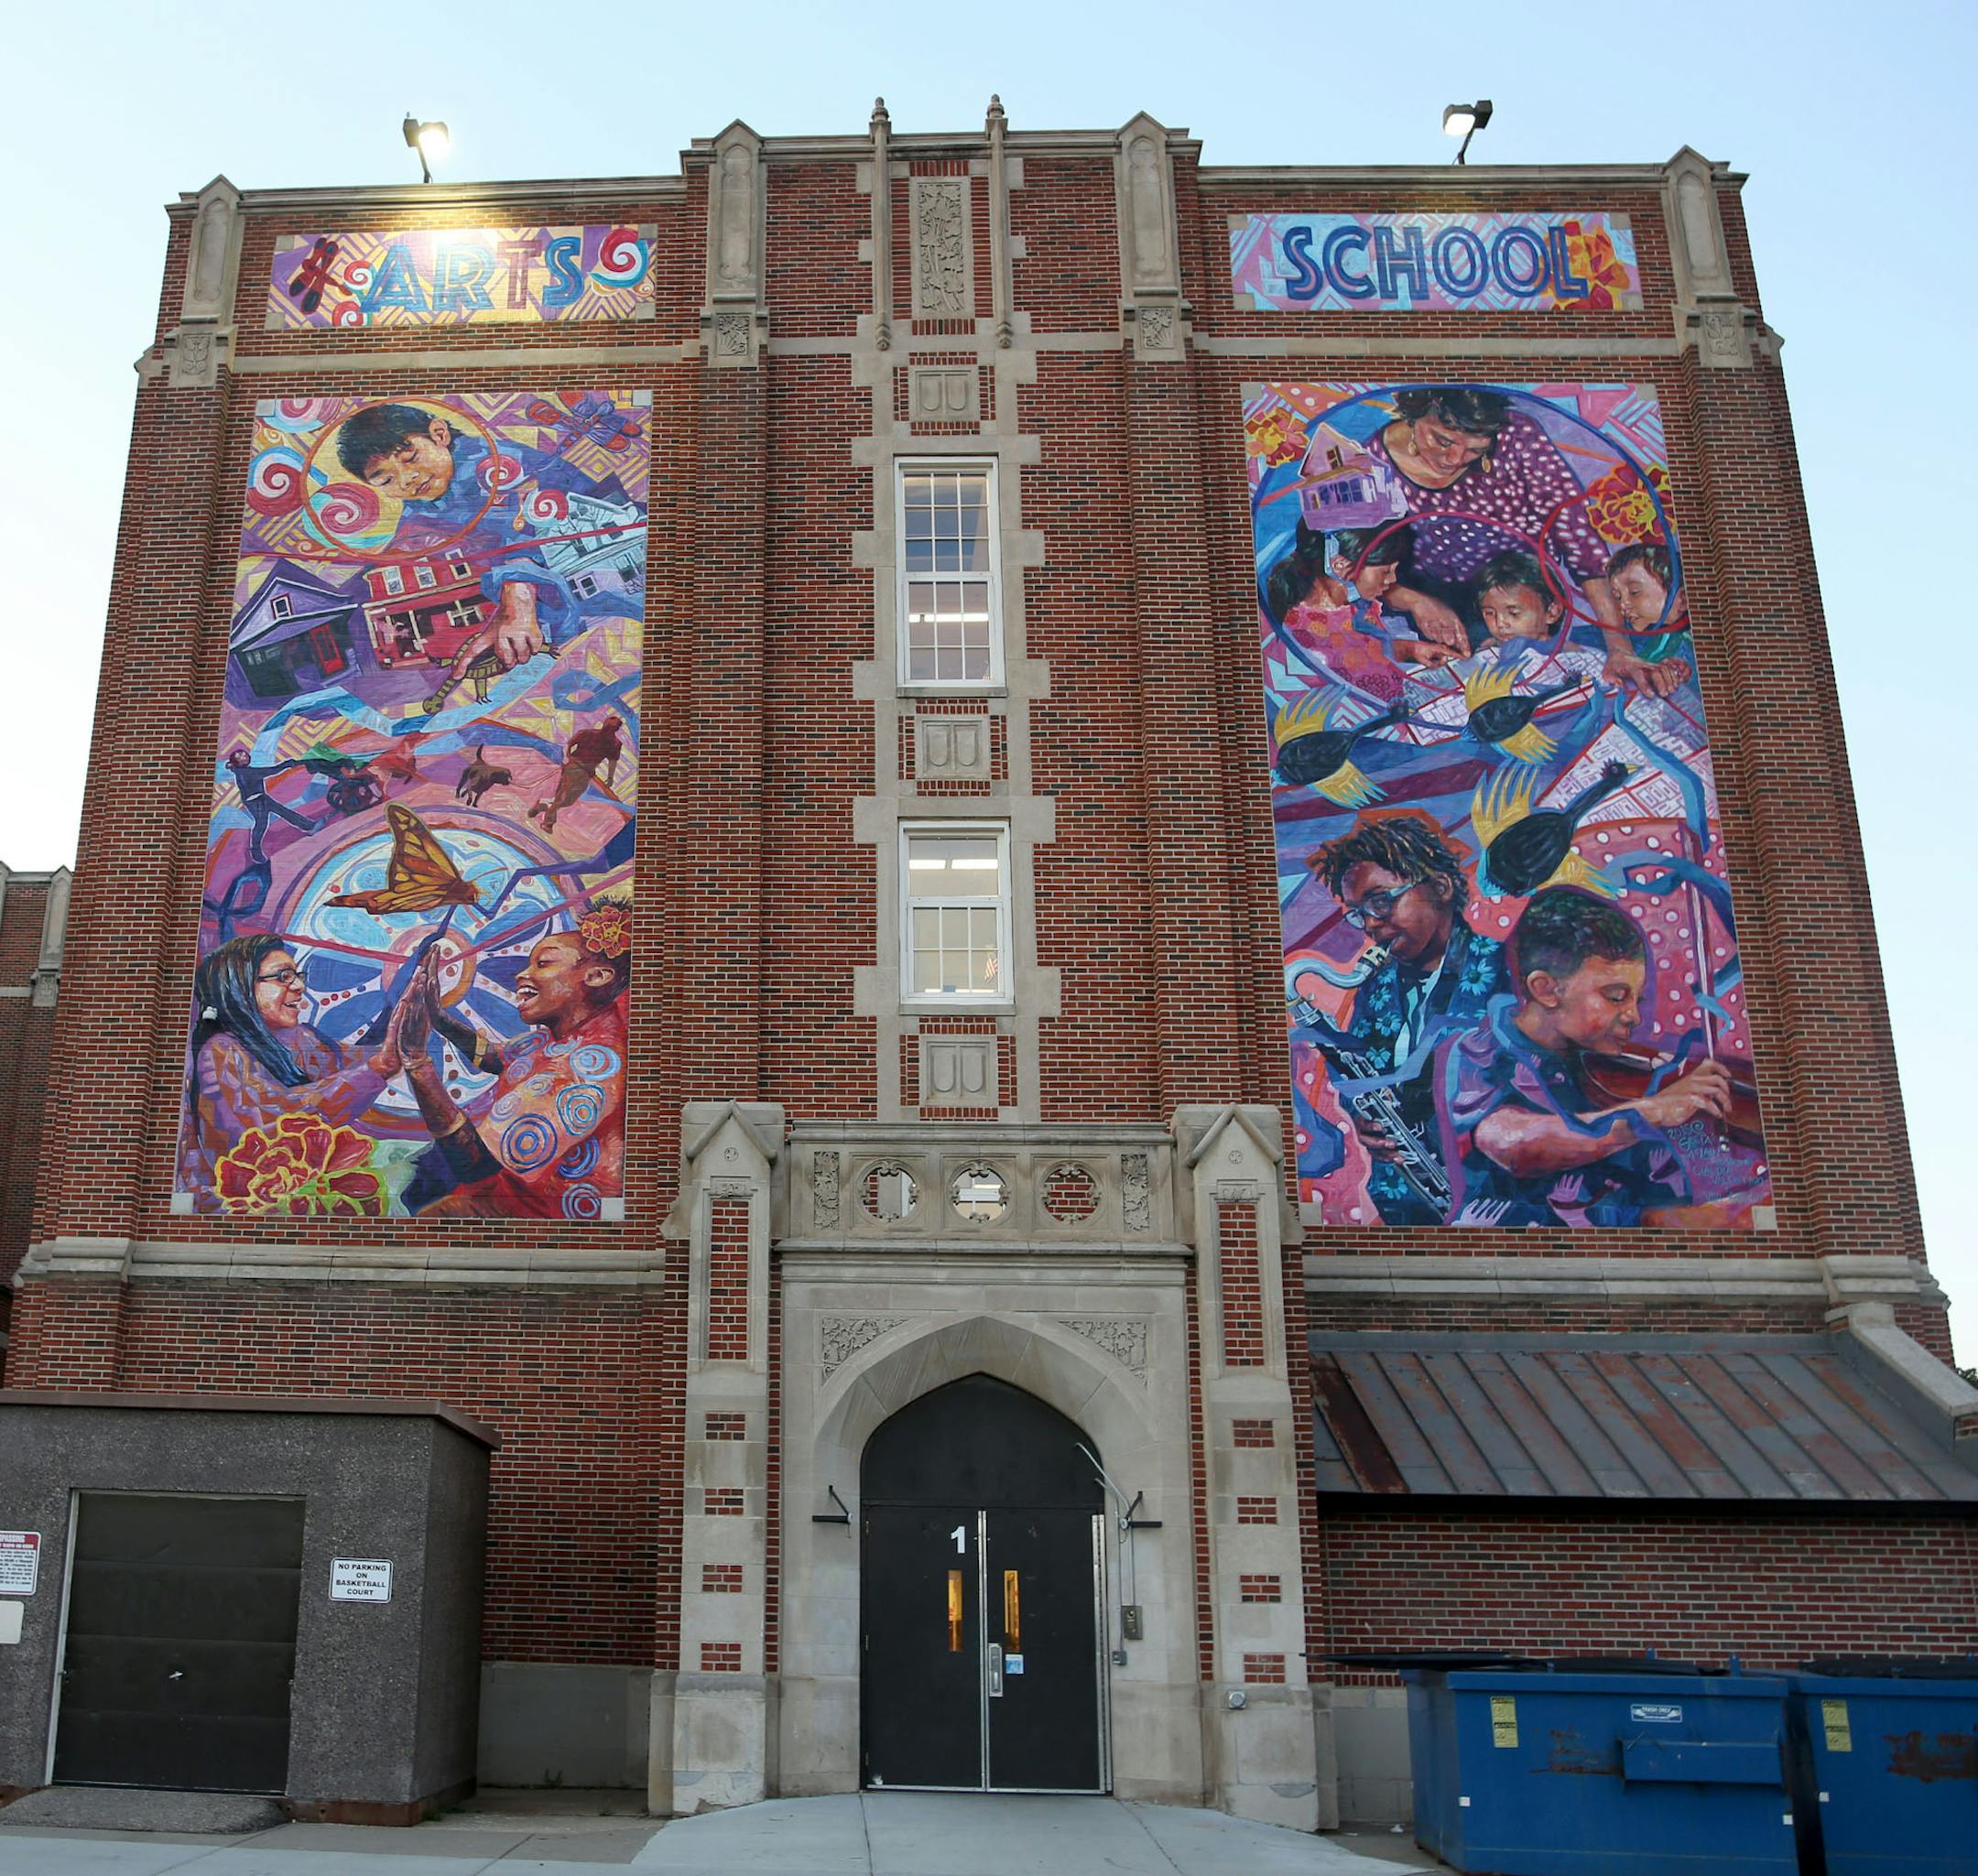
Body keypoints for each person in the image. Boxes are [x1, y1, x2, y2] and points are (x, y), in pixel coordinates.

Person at [1440, 886, 1733, 1226]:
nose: (1633, 1016)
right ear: (1546, 990)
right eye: (1615, 996)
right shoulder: (1481, 1051)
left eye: (1636, 999)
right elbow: (1513, 1144)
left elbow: (1661, 1204)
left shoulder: (1614, 1075)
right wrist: (1650, 1112)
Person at [1363, 385, 1679, 697]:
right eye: (1443, 441)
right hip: (1430, 614)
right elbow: (1355, 566)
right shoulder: (1372, 460)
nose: (1455, 459)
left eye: (1476, 450)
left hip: (1526, 598)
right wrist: (1414, 601)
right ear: (1415, 414)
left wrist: (1619, 648)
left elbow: (1580, 544)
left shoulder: (1519, 437)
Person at [331, 402, 637, 689]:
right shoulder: (422, 503)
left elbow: (525, 522)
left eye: (411, 458)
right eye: (386, 481)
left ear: (439, 434)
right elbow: (405, 549)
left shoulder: (493, 466)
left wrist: (517, 599)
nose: (407, 479)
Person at [1299, 813, 1507, 1224]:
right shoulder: (1375, 986)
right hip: (1406, 1206)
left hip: (1495, 1204)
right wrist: (1363, 1120)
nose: (1371, 925)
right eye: (1359, 913)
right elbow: (1358, 1077)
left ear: (1441, 888)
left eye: (1381, 901)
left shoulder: (1508, 968)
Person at [394, 898, 630, 1218]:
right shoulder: (564, 1033)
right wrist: (439, 1018)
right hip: (513, 1192)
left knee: (430, 1219)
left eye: (543, 964)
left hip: (545, 1212)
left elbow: (475, 1165)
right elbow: (497, 1058)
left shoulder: (592, 1064)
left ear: (597, 976)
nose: (522, 974)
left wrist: (416, 1061)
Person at [179, 933, 410, 1210]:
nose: (299, 986)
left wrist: (402, 1016)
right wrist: (378, 1068)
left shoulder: (300, 1037)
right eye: (283, 977)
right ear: (238, 986)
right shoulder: (220, 1052)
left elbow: (354, 1063)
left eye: (298, 976)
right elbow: (269, 1124)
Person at [1605, 542, 1694, 683]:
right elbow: (1645, 665)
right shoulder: (1663, 635)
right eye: (1618, 596)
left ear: (1682, 600)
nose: (1623, 605)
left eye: (1634, 592)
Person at [224, 749, 315, 862]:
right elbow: (271, 771)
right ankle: (256, 853)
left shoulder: (240, 770)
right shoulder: (247, 772)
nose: (245, 756)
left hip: (260, 797)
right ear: (237, 762)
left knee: (282, 811)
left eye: (244, 754)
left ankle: (308, 826)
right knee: (261, 824)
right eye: (241, 757)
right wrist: (286, 764)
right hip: (255, 801)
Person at [1472, 549, 1567, 648]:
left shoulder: (1571, 652)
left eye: (1514, 613)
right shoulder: (1488, 652)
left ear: (1552, 612)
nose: (1500, 623)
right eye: (1490, 613)